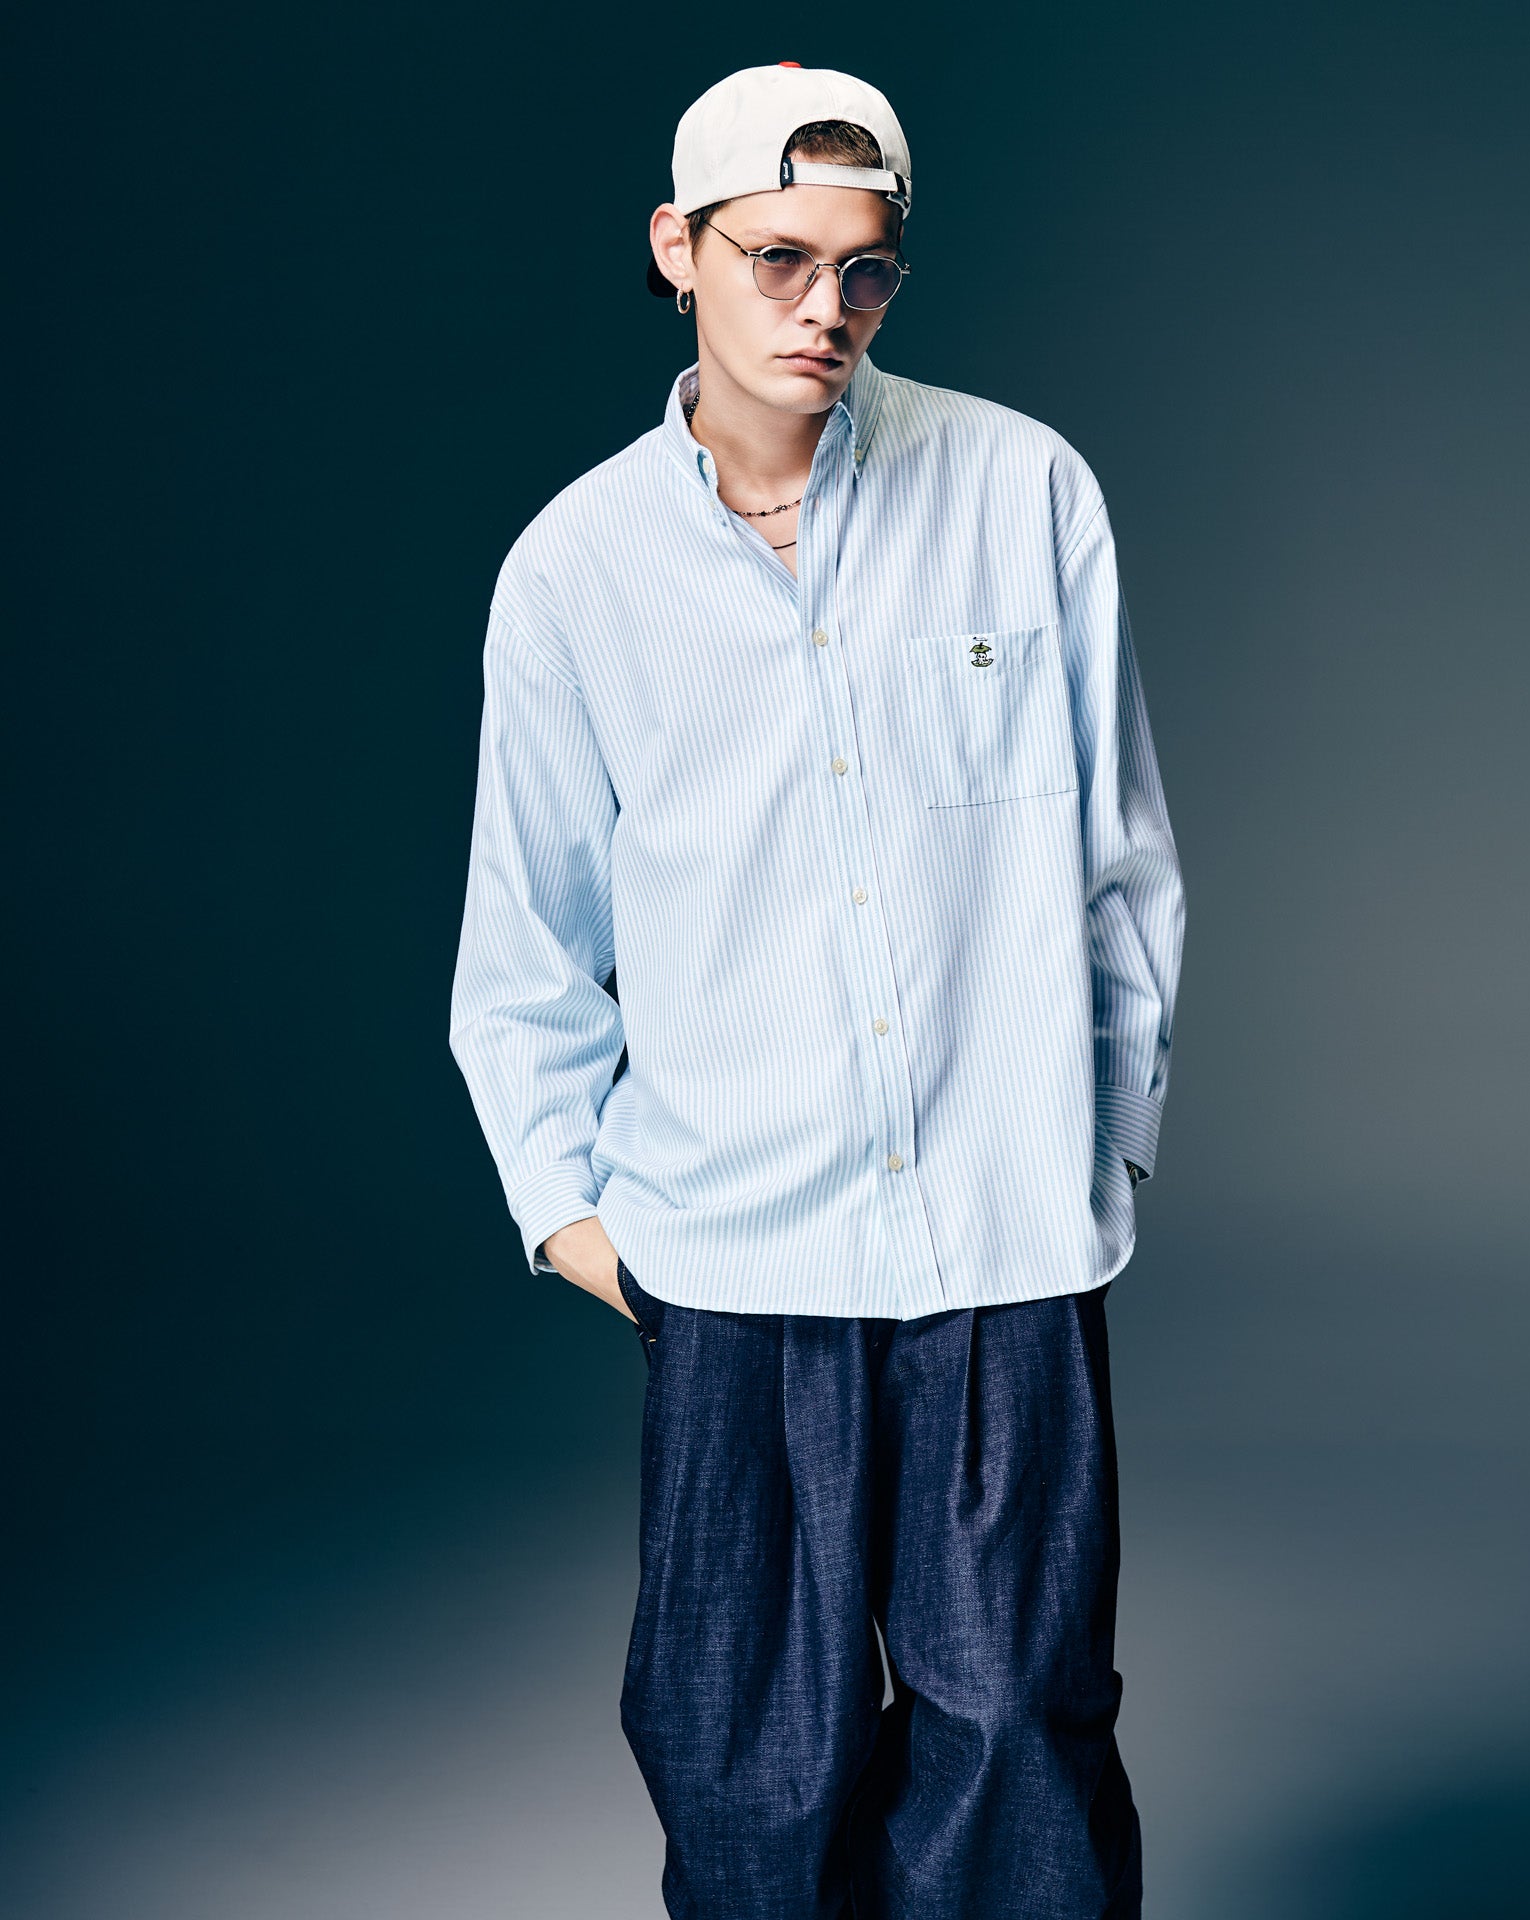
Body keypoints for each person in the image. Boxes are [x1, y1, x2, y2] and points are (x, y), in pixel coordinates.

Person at [448, 59, 1185, 1920]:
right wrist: (583, 1225)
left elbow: (1122, 867)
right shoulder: (575, 573)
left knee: (1021, 1731)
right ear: (675, 248)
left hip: (1002, 1245)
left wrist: (1102, 1149)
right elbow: (523, 947)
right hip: (732, 1263)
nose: (825, 309)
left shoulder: (1023, 490)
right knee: (742, 1755)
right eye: (777, 258)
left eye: (865, 268)